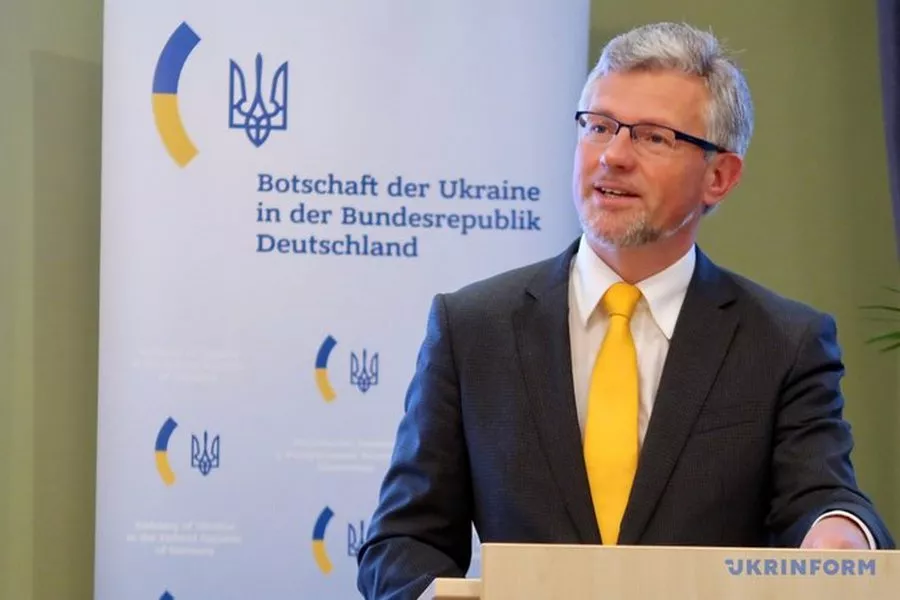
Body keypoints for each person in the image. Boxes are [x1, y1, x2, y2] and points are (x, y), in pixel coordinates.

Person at [356, 21, 894, 599]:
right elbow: (402, 541)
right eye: (599, 126)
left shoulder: (784, 341)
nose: (612, 156)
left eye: (653, 137)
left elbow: (820, 497)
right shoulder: (472, 328)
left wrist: (840, 533)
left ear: (719, 176)